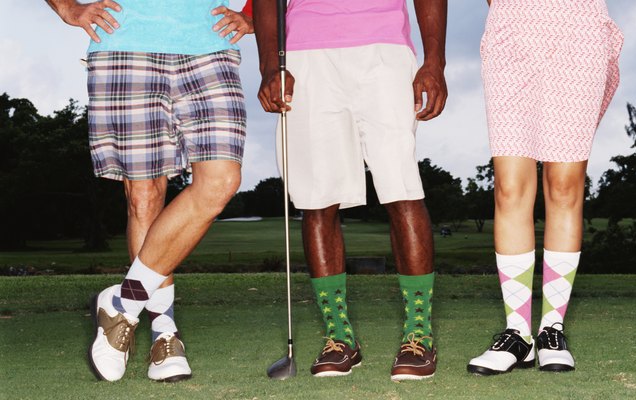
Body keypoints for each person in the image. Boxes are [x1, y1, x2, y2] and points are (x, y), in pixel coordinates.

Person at [46, 0, 254, 382]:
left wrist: (255, 15)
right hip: (124, 43)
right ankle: (164, 336)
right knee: (144, 198)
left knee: (221, 180)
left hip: (209, 44)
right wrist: (68, 9)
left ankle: (122, 304)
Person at [254, 0, 447, 381]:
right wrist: (269, 67)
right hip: (306, 55)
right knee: (317, 198)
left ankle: (419, 335)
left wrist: (434, 62)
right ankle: (339, 337)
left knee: (401, 187)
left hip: (385, 50)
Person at [467, 0, 623, 374]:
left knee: (565, 185)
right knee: (509, 187)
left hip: (578, 26)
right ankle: (518, 334)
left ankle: (551, 330)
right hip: (511, 28)